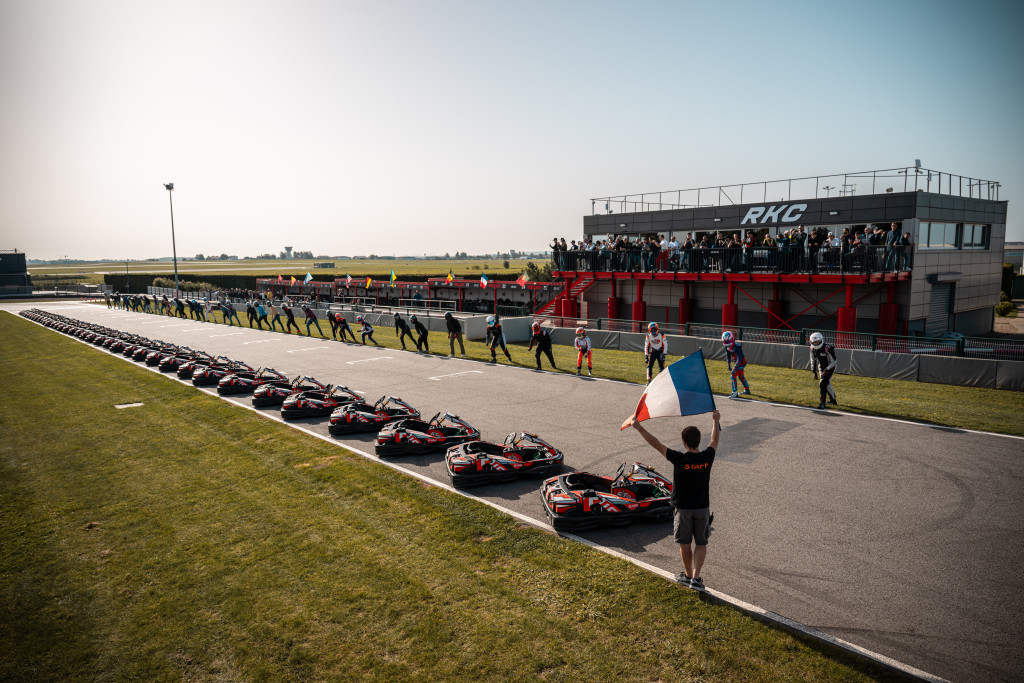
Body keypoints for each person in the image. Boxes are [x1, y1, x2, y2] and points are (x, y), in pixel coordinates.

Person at [622, 409, 721, 590]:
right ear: (699, 441)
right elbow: (714, 441)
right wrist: (716, 421)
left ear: (684, 442)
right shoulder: (707, 457)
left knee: (685, 543)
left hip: (683, 508)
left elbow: (656, 443)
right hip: (702, 508)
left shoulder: (679, 458)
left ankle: (688, 576)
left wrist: (638, 427)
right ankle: (696, 579)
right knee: (701, 542)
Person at [808, 332, 838, 409]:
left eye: (817, 342)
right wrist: (814, 371)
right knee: (826, 384)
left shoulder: (827, 347)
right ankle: (833, 400)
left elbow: (834, 361)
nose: (816, 343)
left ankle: (822, 403)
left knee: (822, 383)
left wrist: (827, 369)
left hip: (830, 366)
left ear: (821, 340)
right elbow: (813, 360)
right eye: (814, 342)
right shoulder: (812, 348)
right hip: (821, 367)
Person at [722, 331, 750, 398]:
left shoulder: (737, 346)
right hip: (738, 362)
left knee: (733, 375)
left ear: (732, 339)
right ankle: (747, 390)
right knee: (741, 376)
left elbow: (740, 359)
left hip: (741, 362)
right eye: (725, 342)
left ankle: (734, 392)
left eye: (727, 341)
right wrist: (728, 364)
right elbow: (728, 355)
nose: (727, 344)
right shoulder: (727, 347)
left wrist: (735, 368)